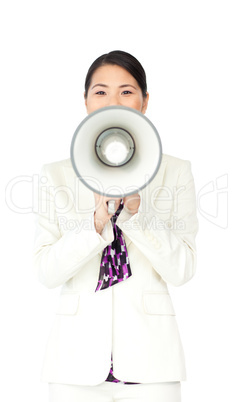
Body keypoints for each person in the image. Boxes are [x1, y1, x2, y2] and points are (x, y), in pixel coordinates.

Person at [34, 50, 198, 402]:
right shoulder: (56, 175)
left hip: (153, 363)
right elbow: (46, 273)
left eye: (126, 91)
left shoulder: (176, 171)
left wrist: (138, 216)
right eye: (100, 91)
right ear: (86, 101)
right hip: (73, 366)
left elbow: (183, 270)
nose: (113, 101)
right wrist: (94, 224)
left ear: (144, 101)